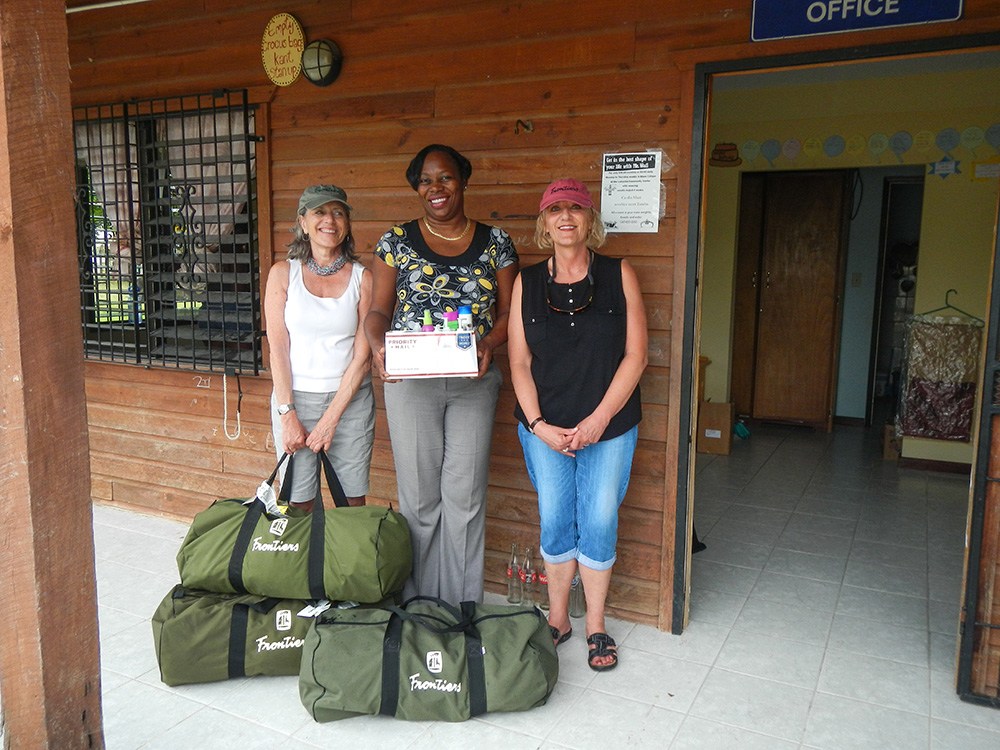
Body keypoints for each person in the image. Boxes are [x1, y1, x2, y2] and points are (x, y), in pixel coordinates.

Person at [365, 144, 519, 603]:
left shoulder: (496, 242)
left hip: (474, 383)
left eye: (446, 177)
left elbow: (512, 311)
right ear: (417, 187)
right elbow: (377, 310)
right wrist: (378, 347)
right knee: (419, 499)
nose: (437, 188)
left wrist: (489, 344)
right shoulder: (395, 241)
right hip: (411, 385)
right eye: (426, 180)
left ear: (463, 181)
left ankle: (459, 604)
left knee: (465, 497)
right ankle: (418, 602)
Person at [508, 178, 647, 672]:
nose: (565, 217)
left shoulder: (618, 273)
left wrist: (600, 418)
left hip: (607, 427)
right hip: (546, 430)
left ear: (590, 220)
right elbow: (519, 363)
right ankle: (560, 618)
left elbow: (636, 355)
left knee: (599, 521)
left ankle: (596, 626)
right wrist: (538, 422)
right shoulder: (527, 282)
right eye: (555, 210)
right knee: (554, 520)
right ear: (544, 224)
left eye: (575, 209)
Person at [265, 184, 375, 510]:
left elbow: (362, 357)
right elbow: (278, 348)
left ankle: (343, 563)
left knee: (351, 500)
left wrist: (331, 419)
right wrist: (287, 414)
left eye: (338, 212)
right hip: (294, 401)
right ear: (303, 222)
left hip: (350, 403)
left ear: (347, 223)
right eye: (320, 212)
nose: (330, 220)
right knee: (298, 502)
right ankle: (304, 563)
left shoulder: (362, 278)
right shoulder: (283, 274)